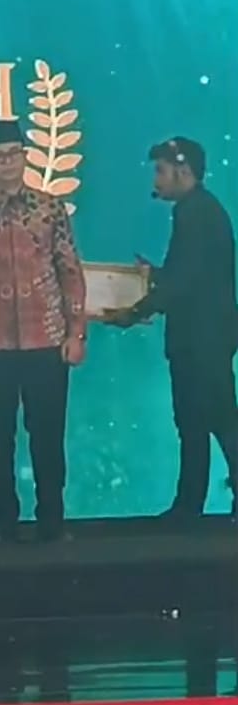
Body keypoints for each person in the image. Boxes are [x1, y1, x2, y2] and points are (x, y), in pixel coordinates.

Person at [0, 121, 87, 542]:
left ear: (26, 156)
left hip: (47, 336)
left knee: (47, 435)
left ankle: (52, 520)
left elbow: (70, 269)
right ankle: (4, 520)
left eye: (13, 154)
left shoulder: (50, 207)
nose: (6, 163)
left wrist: (76, 331)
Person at [105, 137, 238, 522]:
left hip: (201, 341)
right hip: (207, 338)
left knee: (213, 421)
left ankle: (188, 506)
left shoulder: (193, 213)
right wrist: (157, 278)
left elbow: (184, 284)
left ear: (183, 171)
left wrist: (134, 312)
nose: (156, 180)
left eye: (161, 171)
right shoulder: (203, 209)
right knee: (202, 421)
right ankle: (188, 505)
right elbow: (192, 277)